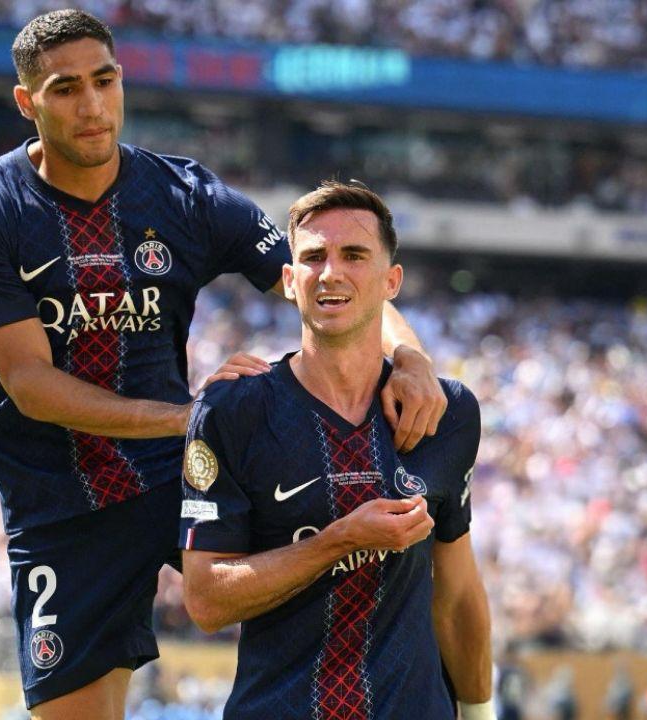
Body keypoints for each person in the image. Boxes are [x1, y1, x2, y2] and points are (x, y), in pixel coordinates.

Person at [0, 10, 446, 719]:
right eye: (65, 89)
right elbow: (30, 385)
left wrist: (411, 355)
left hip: (185, 481)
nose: (91, 105)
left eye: (104, 81)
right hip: (61, 498)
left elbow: (321, 280)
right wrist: (189, 417)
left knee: (349, 582)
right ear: (28, 103)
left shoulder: (182, 194)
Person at [178, 181, 494, 719]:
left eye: (354, 255)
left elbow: (458, 593)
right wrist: (340, 540)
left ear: (391, 280)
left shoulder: (447, 413)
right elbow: (206, 599)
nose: (331, 272)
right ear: (288, 279)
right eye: (313, 257)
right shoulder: (233, 411)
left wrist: (482, 713)